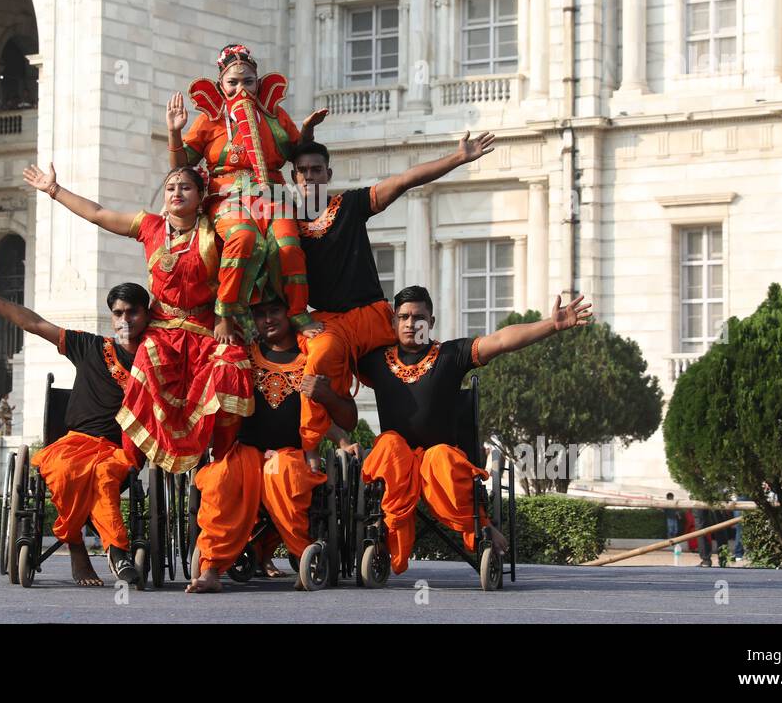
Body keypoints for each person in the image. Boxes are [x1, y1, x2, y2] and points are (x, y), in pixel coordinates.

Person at [22, 161, 253, 474]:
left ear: (200, 196)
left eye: (185, 187)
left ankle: (222, 462)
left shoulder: (216, 231)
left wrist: (226, 313)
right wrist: (54, 190)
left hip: (207, 327)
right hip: (163, 330)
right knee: (143, 364)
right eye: (171, 187)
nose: (177, 193)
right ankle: (131, 461)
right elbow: (99, 214)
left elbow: (246, 249)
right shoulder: (151, 226)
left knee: (232, 365)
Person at [358, 285, 592, 576]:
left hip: (440, 461)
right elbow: (335, 359)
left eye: (418, 317)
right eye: (403, 317)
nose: (410, 323)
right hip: (396, 463)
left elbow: (501, 341)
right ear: (393, 322)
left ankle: (479, 525)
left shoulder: (451, 354)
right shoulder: (374, 360)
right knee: (388, 445)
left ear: (430, 322)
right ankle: (384, 532)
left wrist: (551, 325)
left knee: (440, 457)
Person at [0, 266, 147, 586]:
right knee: (66, 470)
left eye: (132, 312)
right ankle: (82, 551)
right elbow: (34, 323)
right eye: (117, 312)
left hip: (119, 450)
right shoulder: (90, 346)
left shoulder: (157, 360)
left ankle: (117, 551)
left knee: (104, 474)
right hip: (75, 443)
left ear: (146, 315)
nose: (125, 319)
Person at [289, 133, 496, 407]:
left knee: (414, 364)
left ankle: (447, 417)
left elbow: (404, 180)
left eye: (316, 170)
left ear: (328, 174)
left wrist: (458, 158)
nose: (309, 177)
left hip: (371, 319)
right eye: (302, 171)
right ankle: (317, 444)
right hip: (328, 323)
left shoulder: (350, 205)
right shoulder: (286, 221)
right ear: (294, 177)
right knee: (318, 360)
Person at [187, 296, 358, 593]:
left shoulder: (314, 358)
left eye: (275, 311)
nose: (268, 319)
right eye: (260, 313)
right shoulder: (242, 357)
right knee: (219, 479)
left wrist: (336, 423)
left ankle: (303, 553)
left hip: (286, 453)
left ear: (290, 312)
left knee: (281, 475)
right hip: (245, 451)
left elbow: (339, 417)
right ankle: (210, 568)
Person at [166, 43, 327, 343]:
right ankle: (225, 311)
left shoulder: (275, 115)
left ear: (259, 82)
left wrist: (307, 130)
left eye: (248, 81)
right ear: (220, 85)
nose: (242, 88)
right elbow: (180, 166)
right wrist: (175, 132)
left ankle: (297, 312)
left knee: (288, 247)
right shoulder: (211, 119)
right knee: (243, 237)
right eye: (233, 82)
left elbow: (298, 153)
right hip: (228, 195)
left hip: (273, 194)